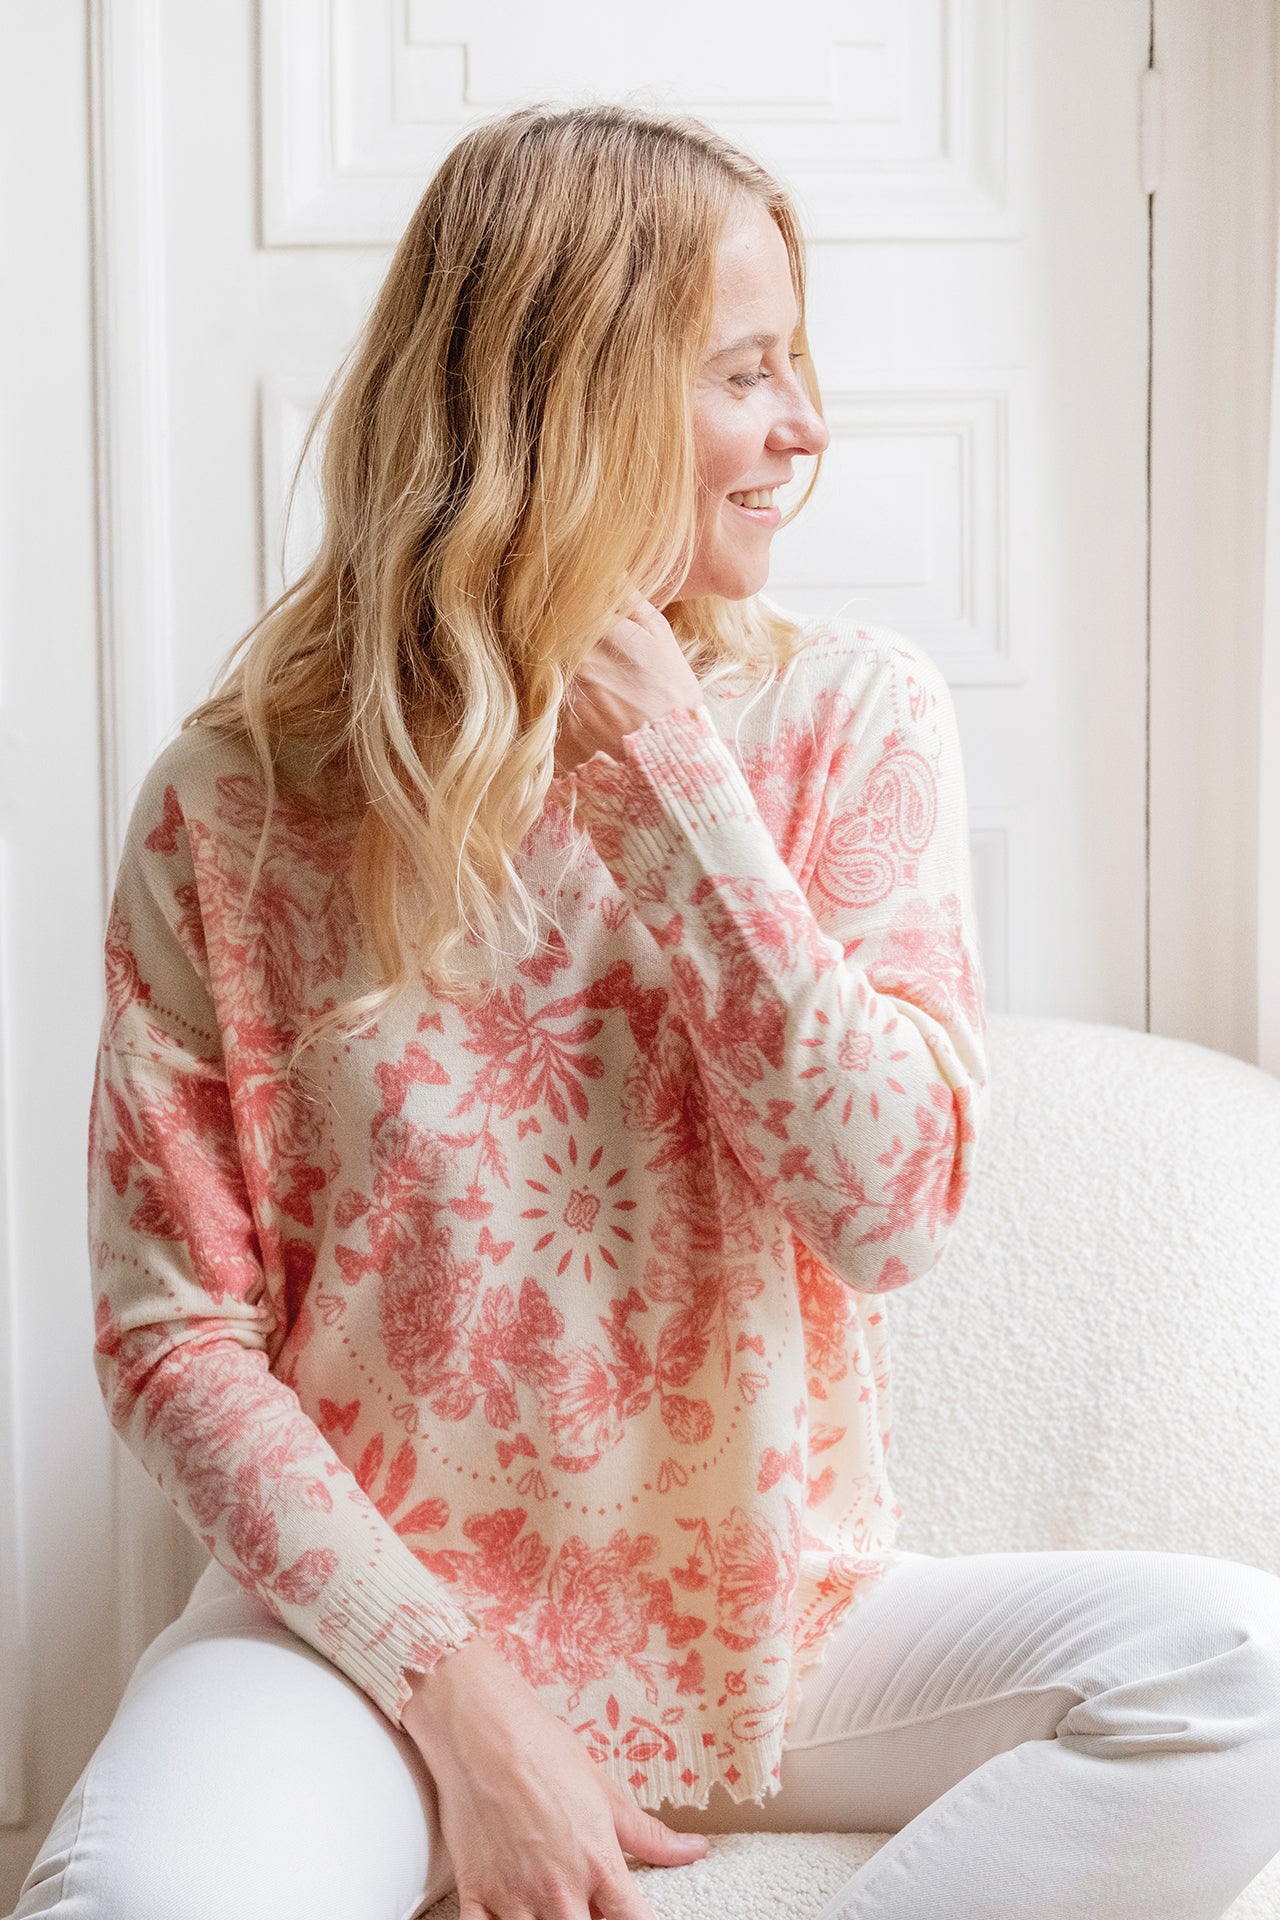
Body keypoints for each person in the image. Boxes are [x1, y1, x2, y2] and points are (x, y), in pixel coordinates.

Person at [11, 99, 1280, 1920]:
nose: (806, 426)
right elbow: (172, 1339)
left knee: (1240, 1680)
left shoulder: (847, 717)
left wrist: (679, 785)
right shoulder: (237, 804)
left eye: (796, 365)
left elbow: (892, 1202)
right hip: (358, 1645)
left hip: (779, 1621)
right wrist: (466, 1710)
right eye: (747, 374)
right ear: (570, 406)